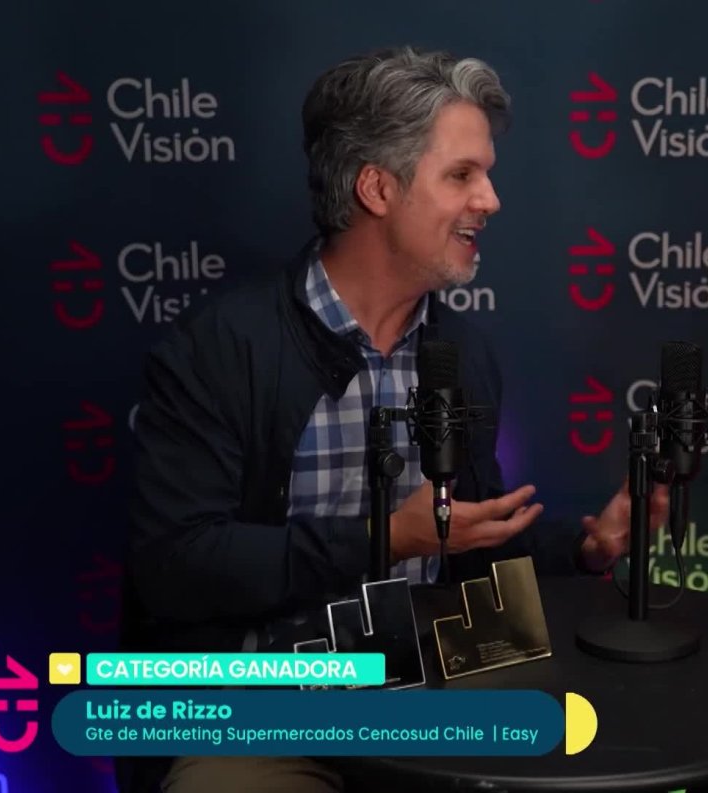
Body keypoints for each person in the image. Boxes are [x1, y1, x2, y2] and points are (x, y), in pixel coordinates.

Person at [118, 47, 663, 793]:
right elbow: (176, 566)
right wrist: (385, 537)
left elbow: (466, 549)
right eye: (461, 175)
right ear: (377, 188)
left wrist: (589, 546)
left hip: (432, 686)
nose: (491, 200)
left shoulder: (461, 354)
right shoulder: (220, 349)